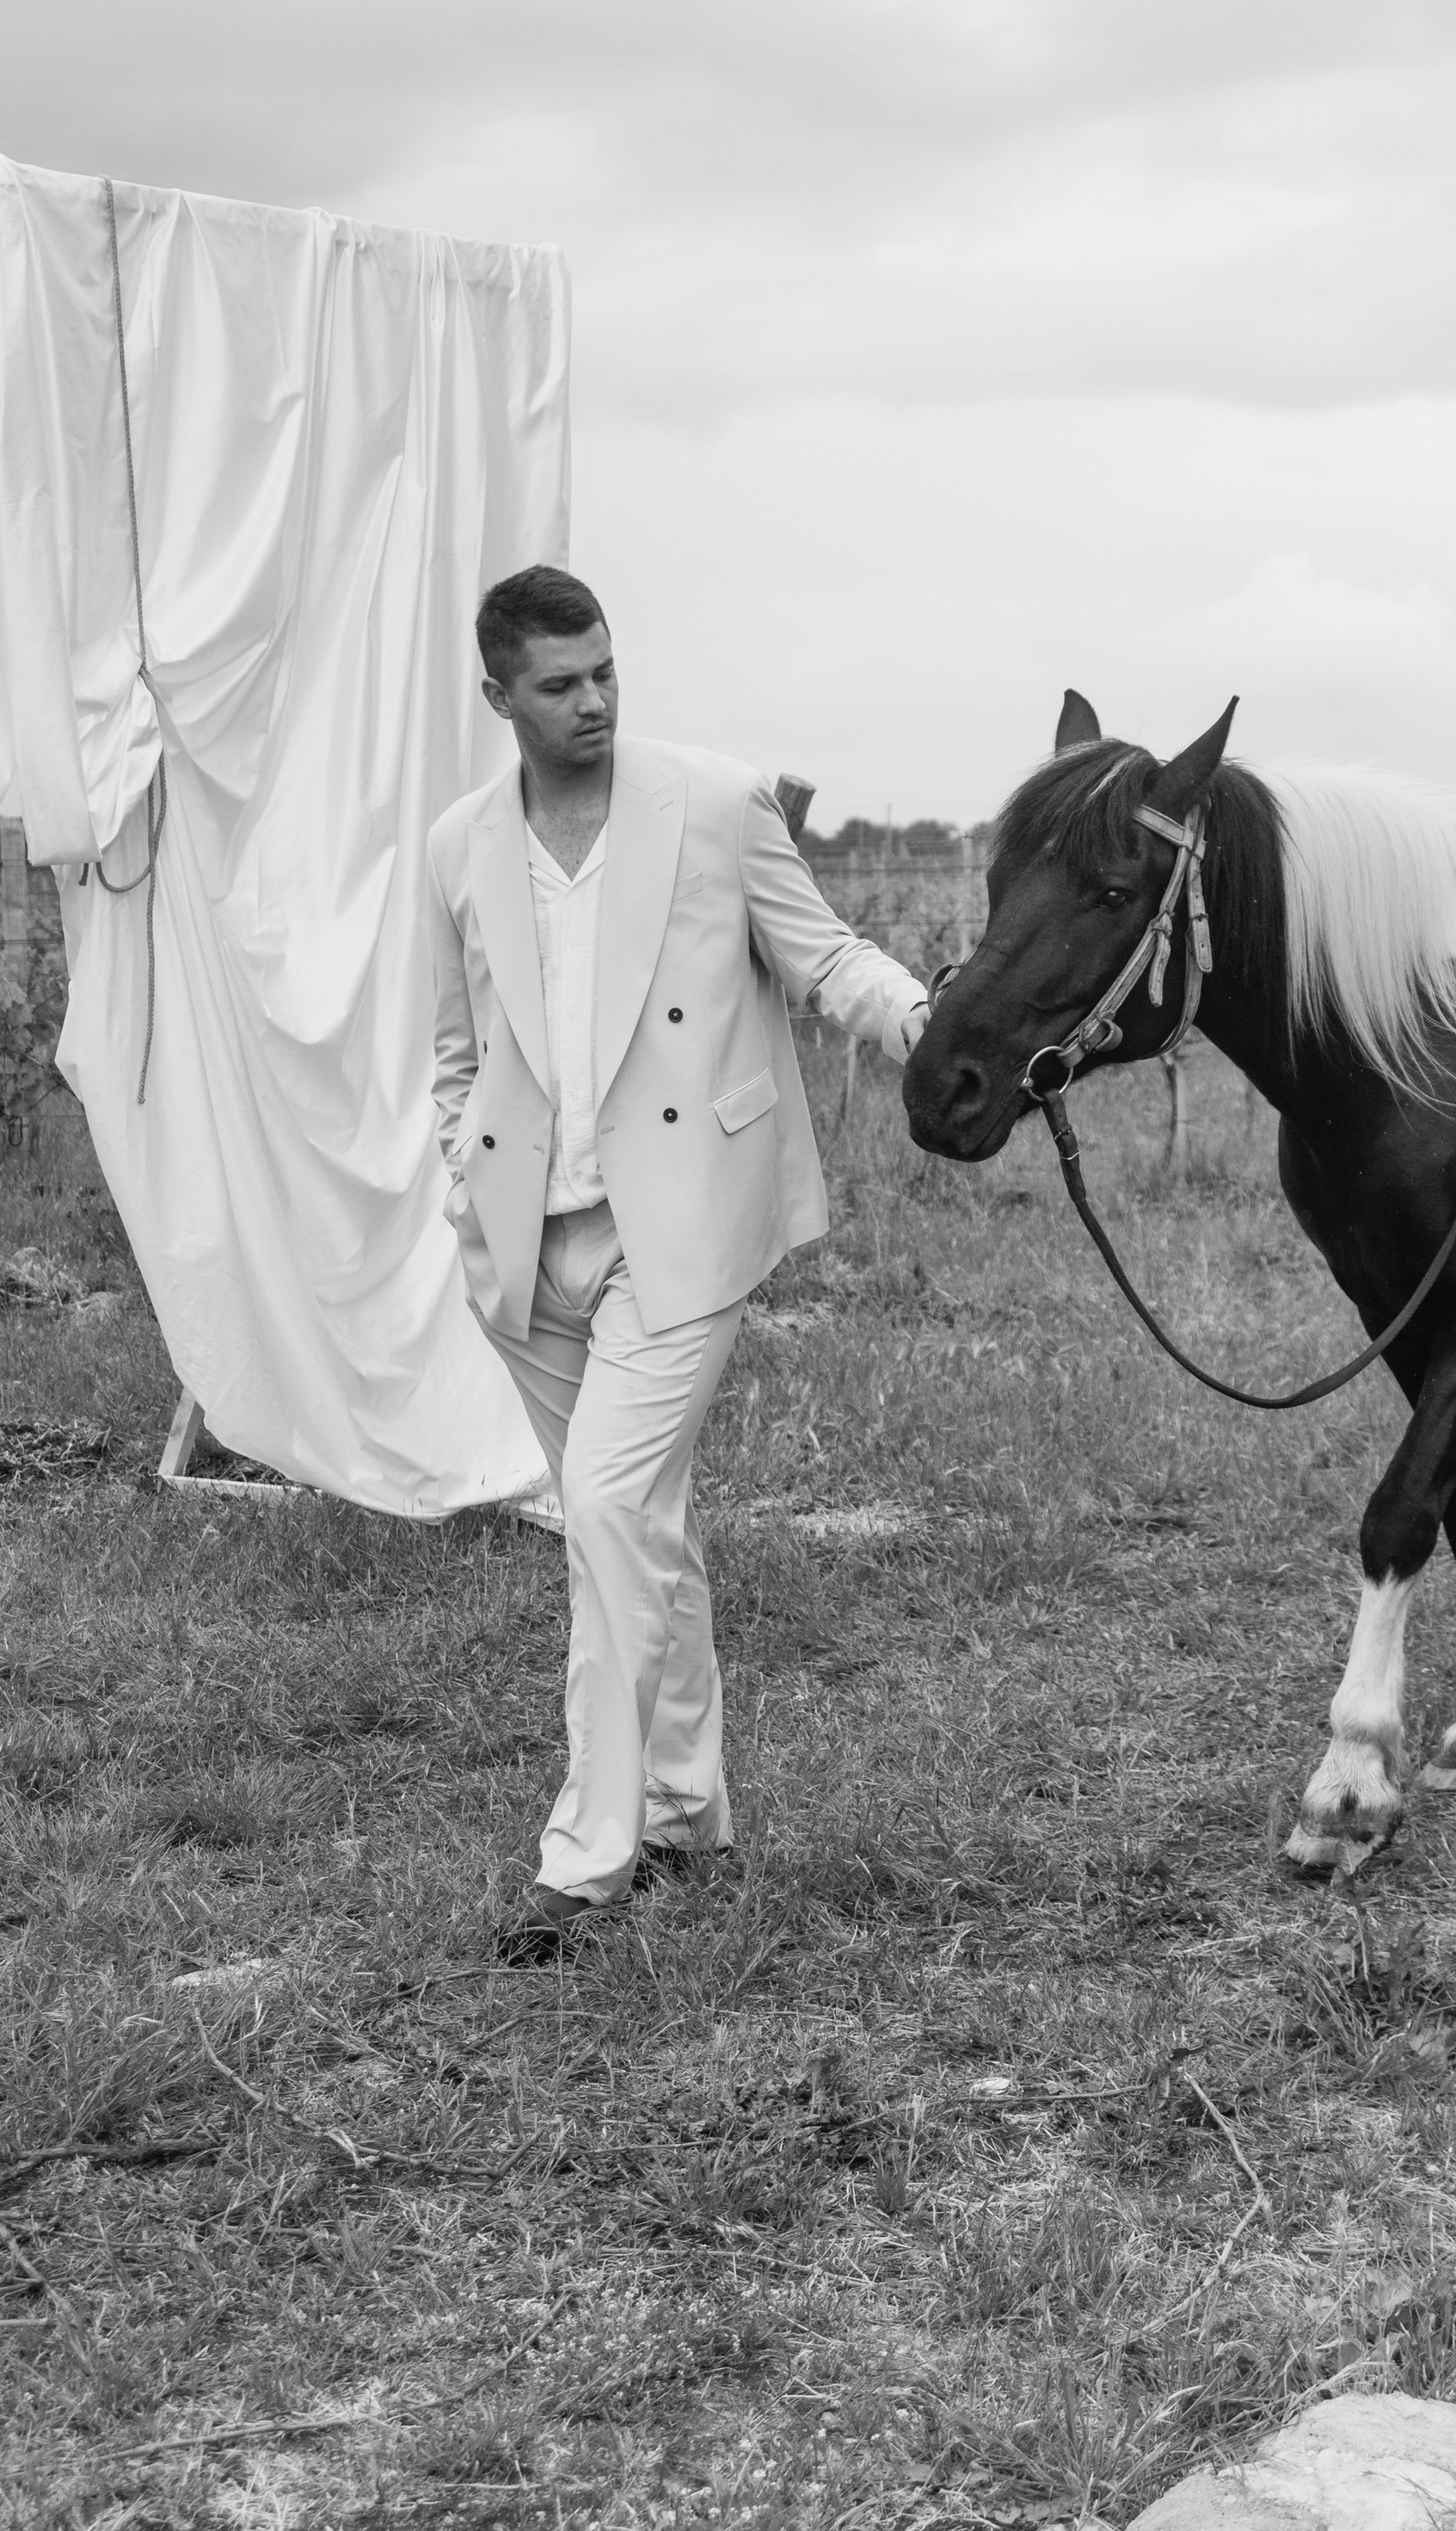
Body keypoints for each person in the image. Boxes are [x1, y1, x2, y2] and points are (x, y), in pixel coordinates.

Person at [426, 565, 931, 1962]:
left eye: (604, 673)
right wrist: (456, 1162)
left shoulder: (711, 803)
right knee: (644, 1524)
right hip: (529, 1246)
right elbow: (452, 1051)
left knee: (599, 1505)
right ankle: (692, 1808)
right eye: (557, 684)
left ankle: (588, 1859)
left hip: (687, 1226)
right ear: (498, 697)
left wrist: (922, 1021)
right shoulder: (457, 848)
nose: (590, 702)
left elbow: (824, 957)